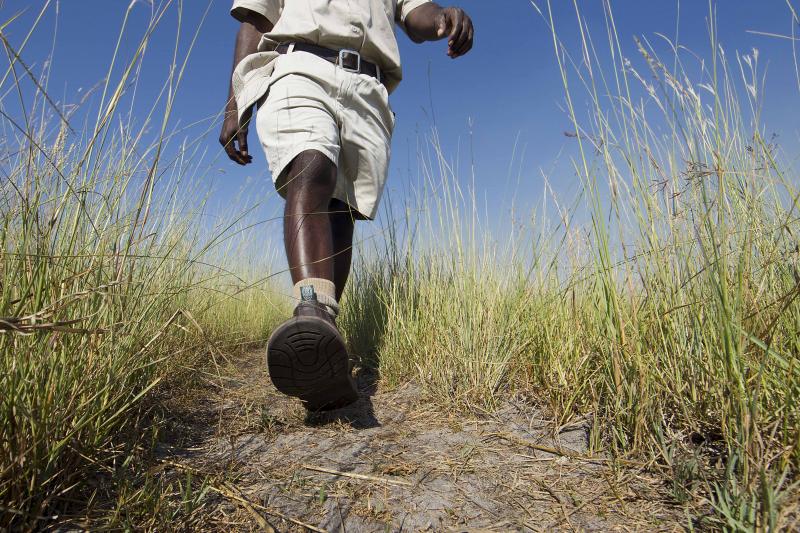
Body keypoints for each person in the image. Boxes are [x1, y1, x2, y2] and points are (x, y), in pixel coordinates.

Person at [220, 0, 474, 411]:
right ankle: (312, 309)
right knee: (312, 166)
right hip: (297, 66)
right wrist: (235, 103)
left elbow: (416, 16)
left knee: (341, 211)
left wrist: (444, 17)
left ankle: (323, 353)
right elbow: (256, 19)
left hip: (368, 89)